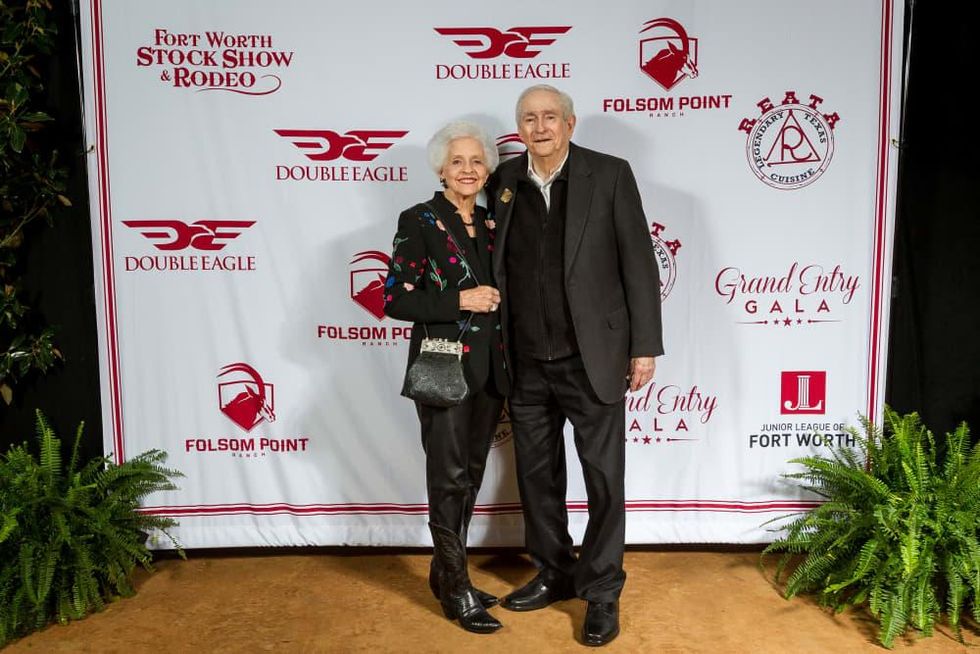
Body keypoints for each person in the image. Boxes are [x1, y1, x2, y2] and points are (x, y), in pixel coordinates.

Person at [489, 84, 664, 646]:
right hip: (525, 361)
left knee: (603, 478)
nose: (538, 127)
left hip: (594, 358)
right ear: (519, 128)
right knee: (538, 477)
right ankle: (554, 571)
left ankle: (603, 590)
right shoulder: (504, 182)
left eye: (549, 117)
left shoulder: (609, 174)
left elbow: (639, 264)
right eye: (528, 119)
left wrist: (645, 347)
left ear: (570, 122)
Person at [383, 121, 509, 634]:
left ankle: (446, 573)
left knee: (471, 474)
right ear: (441, 168)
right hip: (442, 365)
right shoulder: (419, 220)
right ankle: (457, 590)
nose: (468, 170)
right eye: (457, 161)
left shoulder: (494, 221)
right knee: (447, 477)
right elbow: (394, 299)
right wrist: (460, 298)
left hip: (491, 369)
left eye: (477, 162)